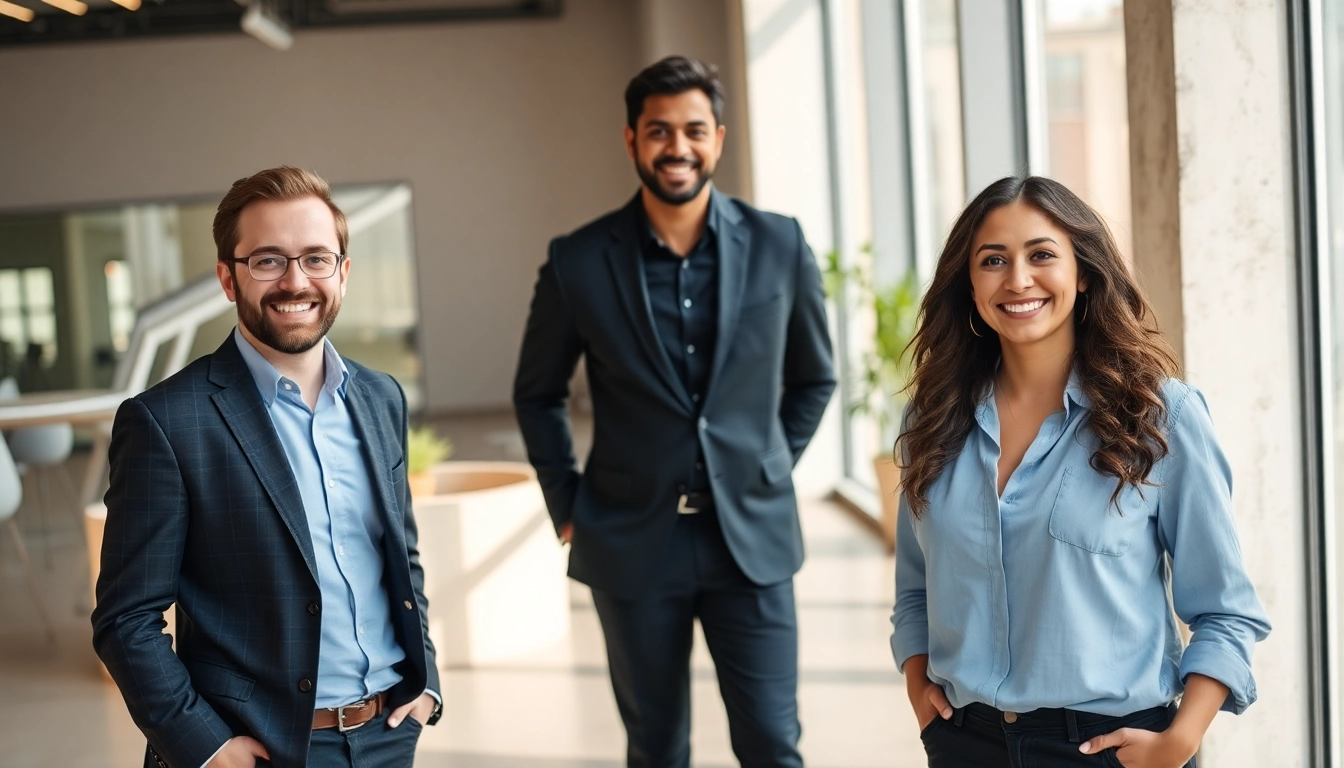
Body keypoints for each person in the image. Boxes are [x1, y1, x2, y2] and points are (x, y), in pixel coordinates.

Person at [513, 55, 835, 767]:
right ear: (631, 140)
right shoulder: (578, 260)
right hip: (630, 540)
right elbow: (536, 393)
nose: (678, 148)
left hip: (748, 541)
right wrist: (566, 499)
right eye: (659, 131)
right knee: (655, 748)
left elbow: (814, 378)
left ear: (719, 138)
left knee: (773, 744)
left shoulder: (780, 244)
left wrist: (768, 466)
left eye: (694, 130)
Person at [890, 176, 1271, 768]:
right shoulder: (933, 419)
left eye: (1042, 255)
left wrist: (1179, 741)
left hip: (1107, 750)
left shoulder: (1160, 417)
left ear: (1084, 271)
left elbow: (1225, 609)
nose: (1018, 279)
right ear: (969, 282)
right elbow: (917, 588)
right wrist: (920, 688)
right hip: (965, 744)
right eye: (994, 260)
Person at [92, 166, 441, 768]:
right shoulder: (166, 421)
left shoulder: (382, 398)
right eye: (268, 261)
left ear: (343, 272)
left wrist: (426, 678)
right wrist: (205, 745)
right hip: (258, 748)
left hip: (388, 733)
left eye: (315, 258)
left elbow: (399, 557)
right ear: (229, 278)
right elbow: (127, 620)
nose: (295, 281)